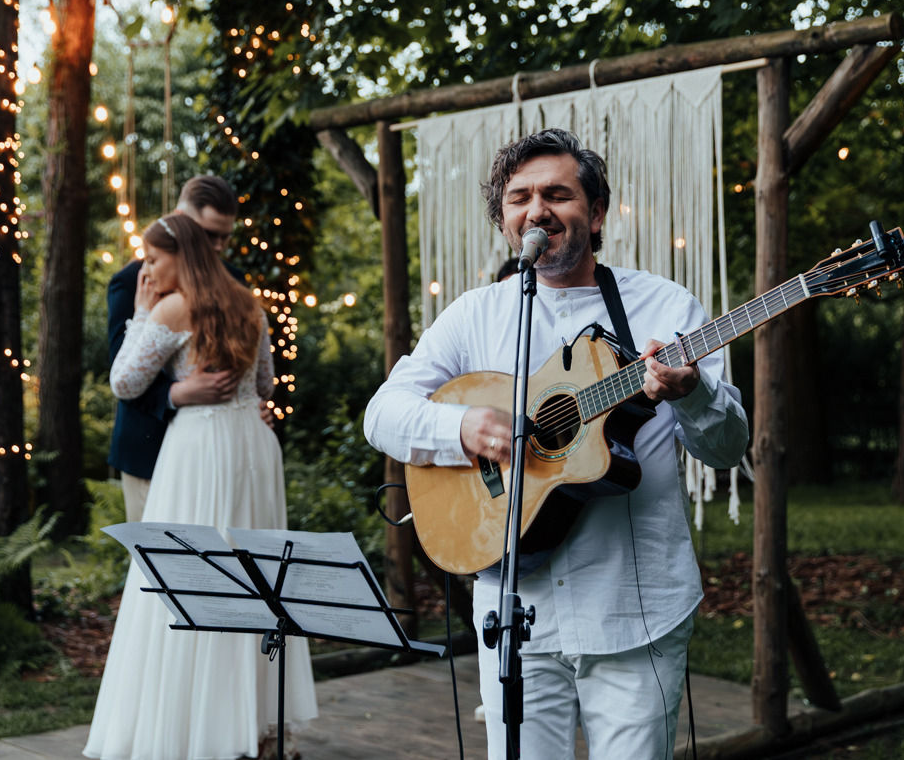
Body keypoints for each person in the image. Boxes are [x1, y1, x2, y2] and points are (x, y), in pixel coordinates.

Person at [363, 128, 748, 759]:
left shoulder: (666, 306)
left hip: (634, 605)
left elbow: (727, 448)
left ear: (595, 215)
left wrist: (694, 391)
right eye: (519, 198)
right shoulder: (476, 314)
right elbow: (384, 413)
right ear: (506, 220)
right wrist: (461, 428)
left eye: (557, 194)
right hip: (513, 607)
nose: (536, 210)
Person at [85, 212, 317, 760]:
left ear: (180, 258)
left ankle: (192, 728)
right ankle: (256, 730)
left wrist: (140, 315)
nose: (146, 269)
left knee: (189, 579)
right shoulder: (248, 302)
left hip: (199, 451)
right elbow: (264, 383)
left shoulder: (169, 307)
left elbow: (123, 382)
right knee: (254, 581)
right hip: (254, 450)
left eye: (154, 258)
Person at [106, 175, 260, 523]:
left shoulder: (235, 282)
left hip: (221, 453)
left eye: (225, 235)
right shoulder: (134, 280)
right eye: (209, 234)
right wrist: (179, 392)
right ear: (179, 219)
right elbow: (120, 371)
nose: (219, 246)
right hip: (150, 448)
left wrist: (256, 404)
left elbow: (251, 365)